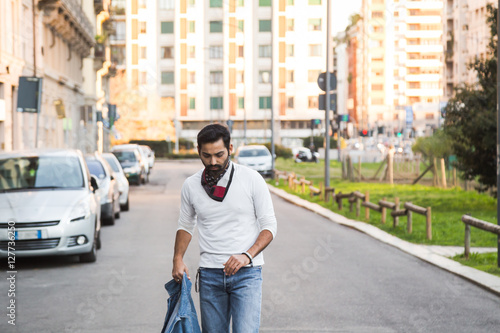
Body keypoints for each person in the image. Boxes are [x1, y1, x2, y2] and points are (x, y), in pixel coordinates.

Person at [172, 124, 277, 333]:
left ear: (230, 148)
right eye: (206, 155)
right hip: (210, 275)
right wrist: (178, 258)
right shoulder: (191, 185)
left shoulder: (251, 179)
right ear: (198, 151)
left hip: (247, 274)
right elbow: (185, 225)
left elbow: (269, 226)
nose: (213, 161)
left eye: (219, 155)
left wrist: (247, 255)